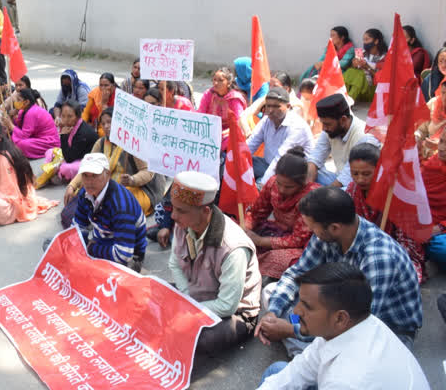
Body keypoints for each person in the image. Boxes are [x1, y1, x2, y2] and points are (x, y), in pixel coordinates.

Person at [256, 187, 422, 354]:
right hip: (336, 307)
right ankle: (309, 351)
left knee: (343, 346)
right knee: (271, 293)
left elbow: (357, 324)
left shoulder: (378, 258)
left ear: (334, 228)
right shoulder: (327, 233)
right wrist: (272, 313)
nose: (311, 233)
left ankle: (306, 355)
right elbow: (297, 275)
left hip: (385, 331)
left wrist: (291, 330)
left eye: (313, 228)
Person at [258, 262, 429, 390]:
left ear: (340, 318)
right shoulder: (352, 326)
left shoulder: (344, 381)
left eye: (306, 306)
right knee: (277, 372)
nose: (296, 310)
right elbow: (300, 369)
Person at [168, 171, 262, 355]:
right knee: (154, 292)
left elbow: (226, 306)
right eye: (173, 208)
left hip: (235, 313)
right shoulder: (184, 224)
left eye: (181, 210)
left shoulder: (233, 248)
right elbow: (175, 264)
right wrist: (187, 297)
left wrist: (187, 310)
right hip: (196, 294)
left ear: (205, 211)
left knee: (201, 339)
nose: (173, 216)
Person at [345, 143, 427, 282]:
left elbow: (406, 239)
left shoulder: (396, 194)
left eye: (366, 174)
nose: (360, 179)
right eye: (355, 173)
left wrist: (382, 254)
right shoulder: (352, 190)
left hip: (395, 251)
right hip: (363, 248)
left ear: (378, 170)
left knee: (400, 279)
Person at [64, 108, 167, 215]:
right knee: (81, 196)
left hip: (139, 189)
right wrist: (72, 186)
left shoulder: (133, 141)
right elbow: (87, 167)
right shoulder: (101, 143)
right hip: (110, 188)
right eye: (103, 123)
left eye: (109, 122)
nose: (106, 126)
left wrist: (132, 180)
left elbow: (148, 171)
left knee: (119, 207)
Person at [244, 148, 320, 279]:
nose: (282, 190)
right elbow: (256, 212)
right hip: (273, 230)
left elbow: (298, 239)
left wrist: (260, 241)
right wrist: (246, 228)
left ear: (303, 183)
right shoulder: (272, 183)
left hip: (300, 244)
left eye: (289, 187)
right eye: (280, 184)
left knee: (282, 260)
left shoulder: (310, 197)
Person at [71, 152, 147, 272]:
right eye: (85, 175)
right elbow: (78, 226)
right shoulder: (84, 194)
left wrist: (91, 249)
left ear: (108, 174)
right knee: (56, 247)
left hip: (129, 251)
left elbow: (123, 254)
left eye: (95, 175)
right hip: (102, 240)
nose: (89, 181)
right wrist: (78, 246)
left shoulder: (120, 205)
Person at [306, 93, 379, 187]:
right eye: (323, 124)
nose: (324, 128)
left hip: (356, 186)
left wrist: (322, 196)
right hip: (337, 179)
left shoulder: (365, 136)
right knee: (301, 169)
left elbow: (347, 177)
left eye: (327, 124)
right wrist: (308, 187)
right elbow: (315, 157)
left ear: (343, 120)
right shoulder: (329, 130)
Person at [247, 87, 313, 183]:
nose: (270, 110)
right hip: (268, 165)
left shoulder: (297, 126)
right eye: (268, 106)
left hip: (290, 174)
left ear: (288, 106)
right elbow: (250, 145)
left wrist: (262, 184)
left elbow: (279, 161)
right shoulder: (266, 120)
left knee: (259, 186)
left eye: (276, 106)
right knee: (240, 162)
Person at [41, 100, 98, 185]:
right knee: (50, 152)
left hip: (85, 160)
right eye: (63, 116)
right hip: (73, 154)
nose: (65, 120)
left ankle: (60, 173)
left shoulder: (83, 133)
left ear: (78, 117)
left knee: (65, 168)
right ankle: (56, 171)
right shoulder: (70, 125)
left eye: (70, 116)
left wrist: (63, 136)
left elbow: (69, 158)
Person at [197, 66, 247, 151]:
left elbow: (238, 123)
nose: (216, 83)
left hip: (227, 133)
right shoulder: (208, 94)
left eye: (220, 80)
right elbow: (200, 114)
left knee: (232, 139)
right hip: (209, 131)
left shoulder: (235, 99)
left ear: (229, 83)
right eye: (214, 80)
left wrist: (222, 133)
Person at [1, 88, 59, 159]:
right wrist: (12, 117)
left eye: (19, 100)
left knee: (21, 144)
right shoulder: (23, 111)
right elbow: (20, 126)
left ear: (27, 102)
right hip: (35, 137)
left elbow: (24, 135)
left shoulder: (32, 112)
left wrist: (11, 125)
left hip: (49, 141)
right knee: (13, 138)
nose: (16, 102)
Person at [422, 129, 446, 272]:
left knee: (440, 248)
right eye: (442, 141)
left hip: (440, 229)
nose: (442, 148)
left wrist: (440, 228)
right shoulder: (432, 164)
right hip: (428, 223)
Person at [343, 28, 387, 102]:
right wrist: (354, 64)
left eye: (367, 39)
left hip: (373, 90)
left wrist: (367, 67)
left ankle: (348, 102)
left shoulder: (384, 57)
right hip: (360, 89)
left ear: (376, 41)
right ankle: (344, 98)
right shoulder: (362, 53)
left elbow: (381, 79)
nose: (364, 42)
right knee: (351, 71)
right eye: (364, 40)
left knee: (360, 74)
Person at [416, 77, 446, 159]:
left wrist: (440, 145)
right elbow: (420, 129)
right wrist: (417, 138)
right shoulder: (434, 104)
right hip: (426, 154)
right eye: (443, 93)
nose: (445, 98)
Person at [81, 72, 117, 137]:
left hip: (107, 128)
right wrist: (82, 125)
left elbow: (106, 120)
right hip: (92, 125)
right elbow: (86, 112)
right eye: (101, 85)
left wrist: (104, 103)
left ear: (113, 86)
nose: (103, 88)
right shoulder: (95, 93)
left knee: (102, 133)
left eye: (106, 85)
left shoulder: (117, 97)